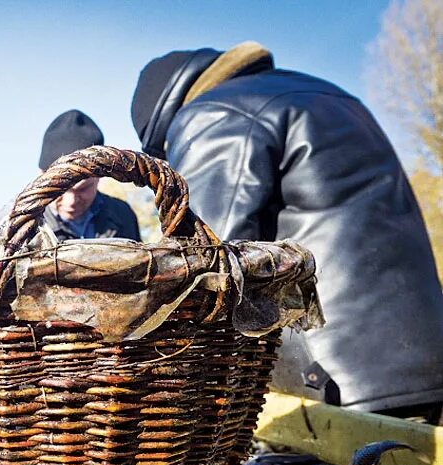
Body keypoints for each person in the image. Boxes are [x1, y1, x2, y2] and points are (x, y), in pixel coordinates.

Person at [131, 41, 443, 422]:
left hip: (331, 381)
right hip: (422, 364)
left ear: (167, 121)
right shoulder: (333, 97)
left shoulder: (213, 112)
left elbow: (205, 265)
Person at [37, 109, 140, 242]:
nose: (71, 201)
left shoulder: (122, 215)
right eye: (61, 189)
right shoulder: (22, 226)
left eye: (83, 189)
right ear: (40, 176)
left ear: (101, 176)